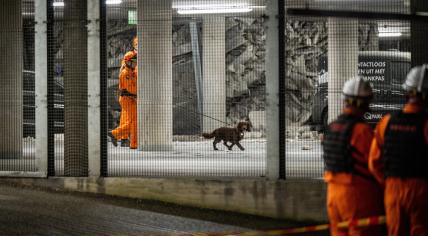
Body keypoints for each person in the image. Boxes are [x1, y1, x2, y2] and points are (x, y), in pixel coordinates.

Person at [369, 65, 428, 236]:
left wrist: (388, 183)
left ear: (407, 91)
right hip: (421, 190)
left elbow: (374, 163)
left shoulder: (386, 122)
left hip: (392, 189)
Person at [322, 77, 384, 236]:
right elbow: (376, 164)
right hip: (358, 197)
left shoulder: (331, 128)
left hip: (333, 196)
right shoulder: (362, 131)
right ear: (366, 103)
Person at [109, 52, 138, 149]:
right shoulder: (126, 74)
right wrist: (139, 94)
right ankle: (115, 134)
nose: (135, 64)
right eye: (133, 62)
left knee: (132, 121)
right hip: (127, 99)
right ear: (128, 62)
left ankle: (133, 143)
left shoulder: (131, 72)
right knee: (133, 121)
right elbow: (130, 89)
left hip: (131, 99)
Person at [117, 36, 138, 147]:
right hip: (129, 94)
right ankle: (123, 137)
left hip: (133, 92)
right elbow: (125, 75)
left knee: (131, 118)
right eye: (137, 44)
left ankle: (124, 137)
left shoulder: (135, 58)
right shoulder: (129, 58)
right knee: (128, 117)